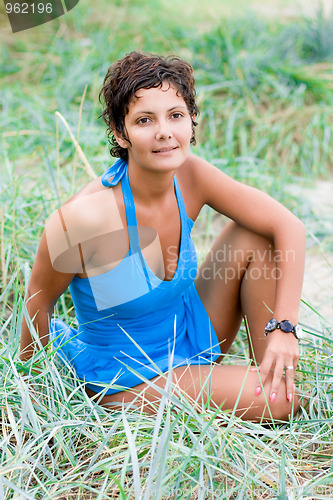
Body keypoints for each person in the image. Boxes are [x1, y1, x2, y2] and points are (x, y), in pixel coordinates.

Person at [20, 51, 306, 421]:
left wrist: (284, 328)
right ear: (121, 134)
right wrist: (34, 402)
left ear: (190, 122)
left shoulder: (190, 176)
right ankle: (264, 390)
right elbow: (36, 307)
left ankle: (271, 369)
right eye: (144, 120)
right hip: (128, 377)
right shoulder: (85, 219)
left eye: (175, 115)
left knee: (256, 235)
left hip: (191, 332)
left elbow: (289, 226)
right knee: (285, 401)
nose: (164, 132)